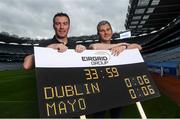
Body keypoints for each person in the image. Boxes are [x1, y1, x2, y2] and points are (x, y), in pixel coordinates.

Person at [89, 20, 142, 118]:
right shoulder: (94, 45)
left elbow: (139, 47)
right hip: (99, 92)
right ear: (98, 34)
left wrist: (125, 48)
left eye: (108, 29)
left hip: (117, 89)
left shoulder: (119, 46)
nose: (106, 33)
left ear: (112, 31)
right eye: (102, 31)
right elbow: (95, 47)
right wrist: (122, 45)